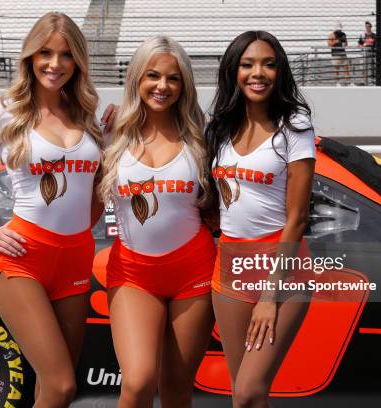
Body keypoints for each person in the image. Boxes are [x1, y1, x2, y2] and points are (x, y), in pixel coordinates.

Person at [0, 12, 103, 408]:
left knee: (56, 390)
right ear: (30, 57)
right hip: (22, 261)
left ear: (78, 62)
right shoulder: (3, 112)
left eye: (66, 55)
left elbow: (93, 202)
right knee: (61, 383)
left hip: (77, 259)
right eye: (45, 52)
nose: (54, 64)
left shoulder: (90, 115)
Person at [99, 36, 215, 408]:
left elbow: (218, 205)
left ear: (184, 85)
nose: (162, 86)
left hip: (194, 271)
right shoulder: (113, 132)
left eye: (173, 78)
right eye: (152, 76)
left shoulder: (202, 133)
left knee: (177, 387)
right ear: (136, 79)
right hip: (133, 274)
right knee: (137, 382)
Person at [205, 30, 315, 407]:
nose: (259, 73)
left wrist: (270, 296)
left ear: (280, 71)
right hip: (230, 265)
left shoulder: (294, 125)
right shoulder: (219, 127)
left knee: (250, 389)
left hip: (280, 270)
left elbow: (298, 217)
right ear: (233, 71)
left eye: (269, 64)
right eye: (248, 64)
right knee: (244, 394)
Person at [357, 21, 376, 85]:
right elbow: (359, 45)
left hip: (371, 53)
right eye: (366, 26)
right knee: (363, 68)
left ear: (371, 27)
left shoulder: (374, 35)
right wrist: (363, 46)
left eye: (368, 26)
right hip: (364, 53)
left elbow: (376, 45)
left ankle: (371, 81)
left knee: (371, 67)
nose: (367, 28)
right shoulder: (362, 35)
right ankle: (363, 81)